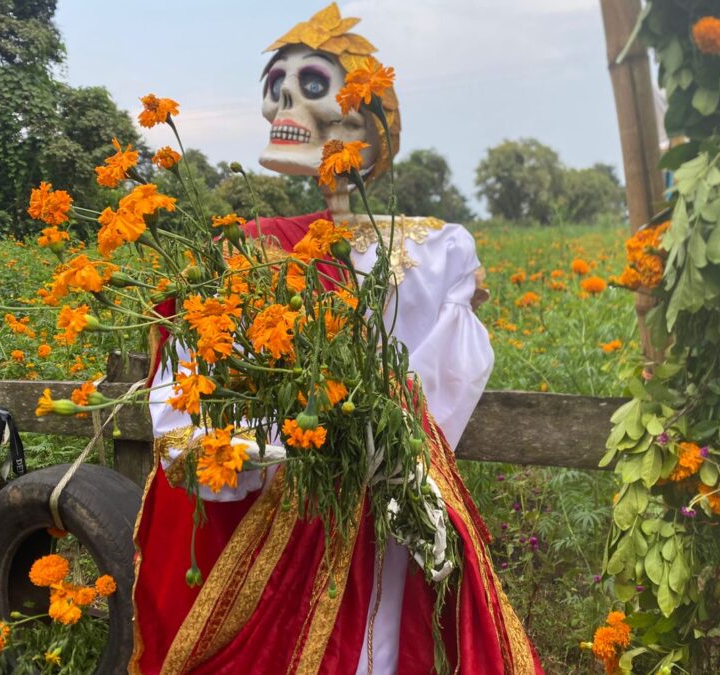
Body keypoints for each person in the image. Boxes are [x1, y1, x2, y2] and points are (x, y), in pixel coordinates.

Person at [131, 4, 544, 673]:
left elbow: (443, 384)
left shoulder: (432, 254)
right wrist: (286, 442)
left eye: (312, 85)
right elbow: (188, 412)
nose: (282, 104)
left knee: (381, 645)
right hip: (285, 519)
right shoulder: (247, 254)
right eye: (276, 85)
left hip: (389, 522)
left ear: (365, 122)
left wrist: (397, 452)